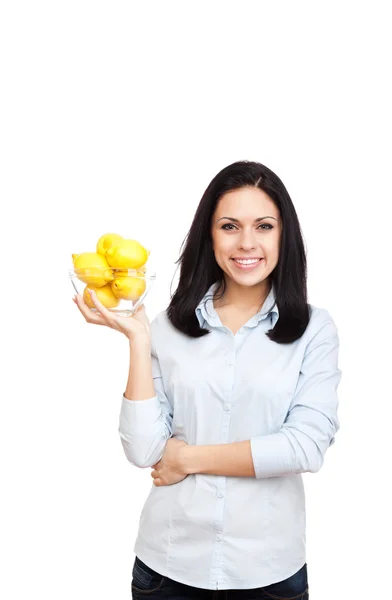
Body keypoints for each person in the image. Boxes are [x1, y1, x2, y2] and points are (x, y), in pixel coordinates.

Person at [74, 160, 341, 599]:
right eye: (230, 226)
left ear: (284, 236)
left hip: (269, 571)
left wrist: (189, 458)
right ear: (210, 236)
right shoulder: (166, 327)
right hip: (169, 565)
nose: (247, 243)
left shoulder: (315, 330)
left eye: (265, 226)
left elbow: (305, 446)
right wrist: (139, 341)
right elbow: (143, 450)